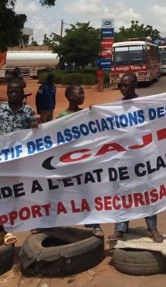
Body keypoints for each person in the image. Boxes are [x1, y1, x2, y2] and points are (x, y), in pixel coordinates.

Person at [108, 72, 163, 244]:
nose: (123, 88)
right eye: (120, 85)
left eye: (126, 85)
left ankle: (152, 228)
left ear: (134, 85)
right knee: (123, 193)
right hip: (123, 158)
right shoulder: (115, 107)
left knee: (147, 193)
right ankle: (120, 229)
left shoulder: (143, 104)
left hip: (143, 157)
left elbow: (161, 117)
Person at [0, 78, 39, 247]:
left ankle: (24, 224)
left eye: (16, 92)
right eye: (10, 92)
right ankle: (0, 228)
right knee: (1, 193)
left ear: (22, 94)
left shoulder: (27, 110)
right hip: (1, 161)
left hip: (20, 161)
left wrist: (35, 126)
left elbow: (33, 128)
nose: (13, 94)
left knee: (21, 193)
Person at [57, 85, 104, 237]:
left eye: (83, 93)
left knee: (89, 194)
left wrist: (95, 113)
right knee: (65, 195)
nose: (83, 96)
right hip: (68, 164)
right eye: (80, 93)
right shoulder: (62, 118)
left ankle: (94, 225)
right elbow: (54, 138)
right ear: (70, 96)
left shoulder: (85, 114)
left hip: (85, 163)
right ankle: (59, 224)